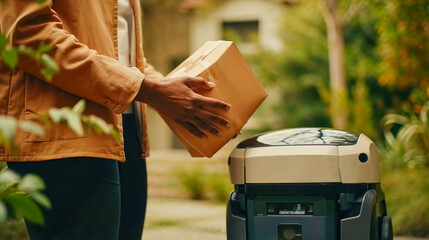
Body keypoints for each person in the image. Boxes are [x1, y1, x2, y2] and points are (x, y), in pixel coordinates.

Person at [0, 0, 231, 239]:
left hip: (125, 131)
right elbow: (28, 32)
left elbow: (124, 59)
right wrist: (148, 89)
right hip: (63, 136)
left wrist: (186, 97)